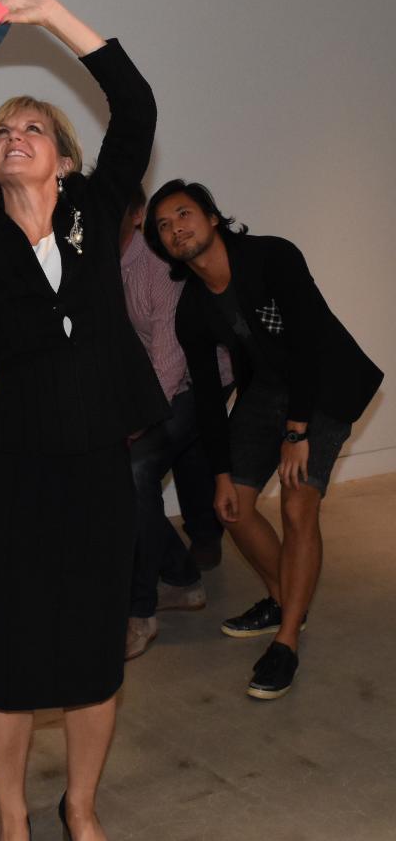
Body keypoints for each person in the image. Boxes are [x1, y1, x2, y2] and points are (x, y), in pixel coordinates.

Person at [0, 0, 165, 841]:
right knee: (11, 654)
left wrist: (49, 14)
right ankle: (13, 819)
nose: (16, 135)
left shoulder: (96, 208)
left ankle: (80, 805)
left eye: (33, 126)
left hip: (99, 458)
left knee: (93, 655)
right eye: (3, 131)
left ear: (64, 156)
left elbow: (135, 107)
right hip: (15, 470)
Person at [146, 180, 382, 699]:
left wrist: (298, 431)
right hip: (267, 391)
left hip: (323, 384)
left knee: (299, 507)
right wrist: (223, 473)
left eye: (183, 214)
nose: (175, 229)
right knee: (232, 508)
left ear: (211, 217)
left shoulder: (273, 256)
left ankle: (287, 639)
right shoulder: (192, 309)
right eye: (163, 226)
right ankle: (286, 598)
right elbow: (208, 396)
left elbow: (307, 342)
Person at [118, 185, 228, 660]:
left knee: (135, 469)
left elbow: (169, 361)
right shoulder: (100, 259)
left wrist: (132, 423)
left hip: (196, 385)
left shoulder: (157, 266)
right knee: (116, 470)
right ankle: (183, 580)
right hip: (153, 384)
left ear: (136, 214)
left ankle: (139, 611)